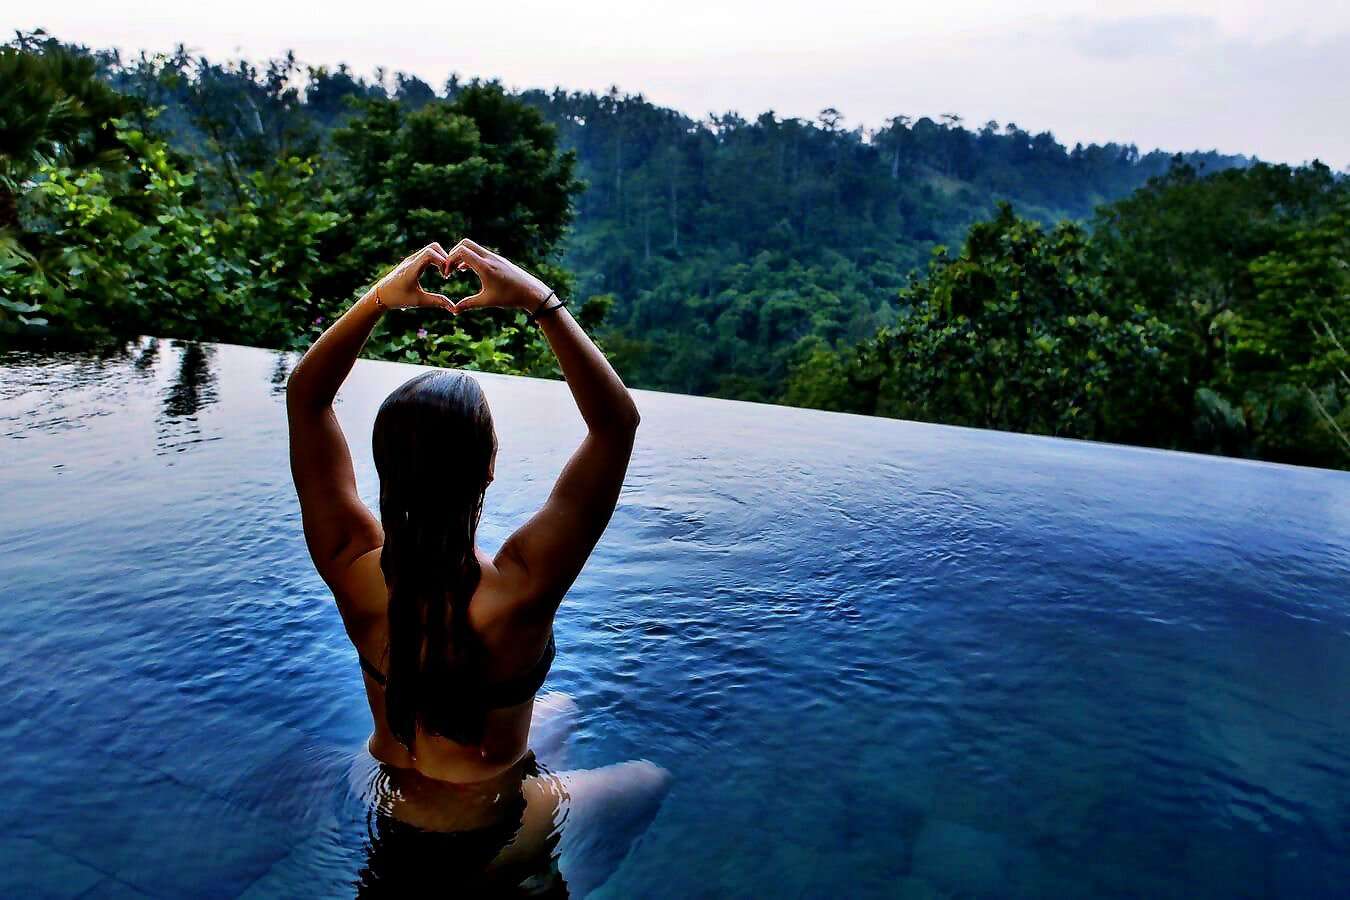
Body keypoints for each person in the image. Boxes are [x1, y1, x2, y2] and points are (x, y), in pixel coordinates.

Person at [287, 240, 670, 895]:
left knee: (563, 708)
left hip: (384, 788)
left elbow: (305, 397)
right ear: (489, 467)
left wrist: (379, 300)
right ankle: (521, 867)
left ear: (385, 470)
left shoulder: (352, 565)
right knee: (650, 780)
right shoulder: (522, 586)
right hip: (490, 821)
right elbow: (616, 425)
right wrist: (539, 301)